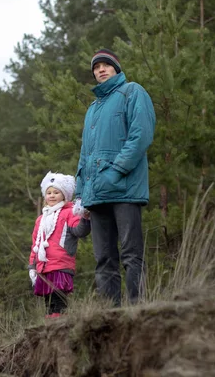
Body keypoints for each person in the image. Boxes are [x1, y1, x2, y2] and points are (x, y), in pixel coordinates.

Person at [75, 48, 156, 306]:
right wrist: (81, 192)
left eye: (105, 65)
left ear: (116, 68)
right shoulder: (93, 108)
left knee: (131, 254)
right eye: (96, 67)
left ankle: (138, 310)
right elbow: (85, 154)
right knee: (104, 259)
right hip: (96, 194)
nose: (100, 69)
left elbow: (141, 135)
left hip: (125, 189)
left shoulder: (132, 92)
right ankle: (110, 316)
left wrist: (117, 169)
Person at [28, 171, 91, 318]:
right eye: (48, 192)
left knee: (58, 297)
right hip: (43, 266)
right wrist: (32, 265)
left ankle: (60, 321)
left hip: (61, 264)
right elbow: (35, 244)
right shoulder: (41, 219)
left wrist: (85, 219)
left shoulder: (69, 213)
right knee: (48, 301)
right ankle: (50, 324)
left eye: (56, 192)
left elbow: (80, 231)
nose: (52, 195)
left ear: (64, 195)